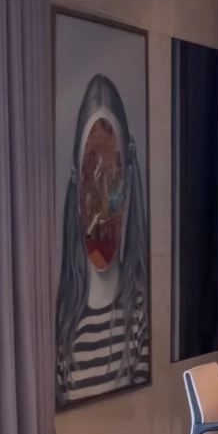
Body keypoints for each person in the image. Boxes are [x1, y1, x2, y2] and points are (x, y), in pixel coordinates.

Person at [55, 72, 150, 405]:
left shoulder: (139, 313)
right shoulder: (64, 324)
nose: (100, 205)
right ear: (76, 180)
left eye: (111, 177)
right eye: (92, 174)